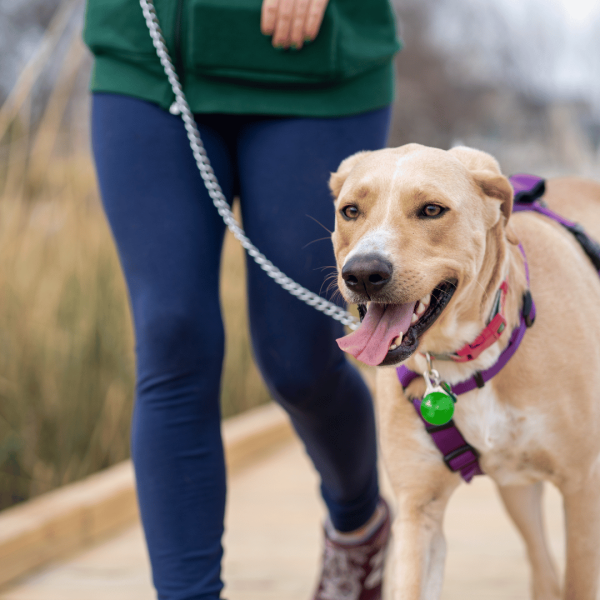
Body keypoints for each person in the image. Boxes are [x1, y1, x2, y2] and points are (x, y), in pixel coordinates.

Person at [84, 1, 401, 598]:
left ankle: (359, 524)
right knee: (171, 336)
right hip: (149, 67)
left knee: (299, 362)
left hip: (316, 69)